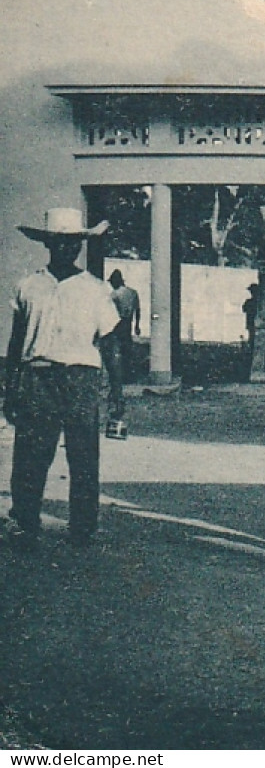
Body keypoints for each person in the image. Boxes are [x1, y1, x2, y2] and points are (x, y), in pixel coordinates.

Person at [2, 208, 119, 550]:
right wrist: (9, 389)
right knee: (31, 455)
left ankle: (83, 527)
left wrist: (118, 395)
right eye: (61, 243)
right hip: (37, 378)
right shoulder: (28, 286)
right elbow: (15, 341)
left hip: (81, 378)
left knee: (83, 455)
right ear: (49, 244)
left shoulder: (96, 290)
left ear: (81, 245)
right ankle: (25, 522)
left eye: (75, 243)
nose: (68, 249)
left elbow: (110, 344)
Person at [103, 269, 140, 440]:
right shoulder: (132, 293)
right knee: (127, 353)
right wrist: (137, 325)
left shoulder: (114, 295)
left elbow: (109, 316)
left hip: (116, 328)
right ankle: (127, 376)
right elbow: (138, 310)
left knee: (115, 355)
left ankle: (116, 384)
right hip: (128, 325)